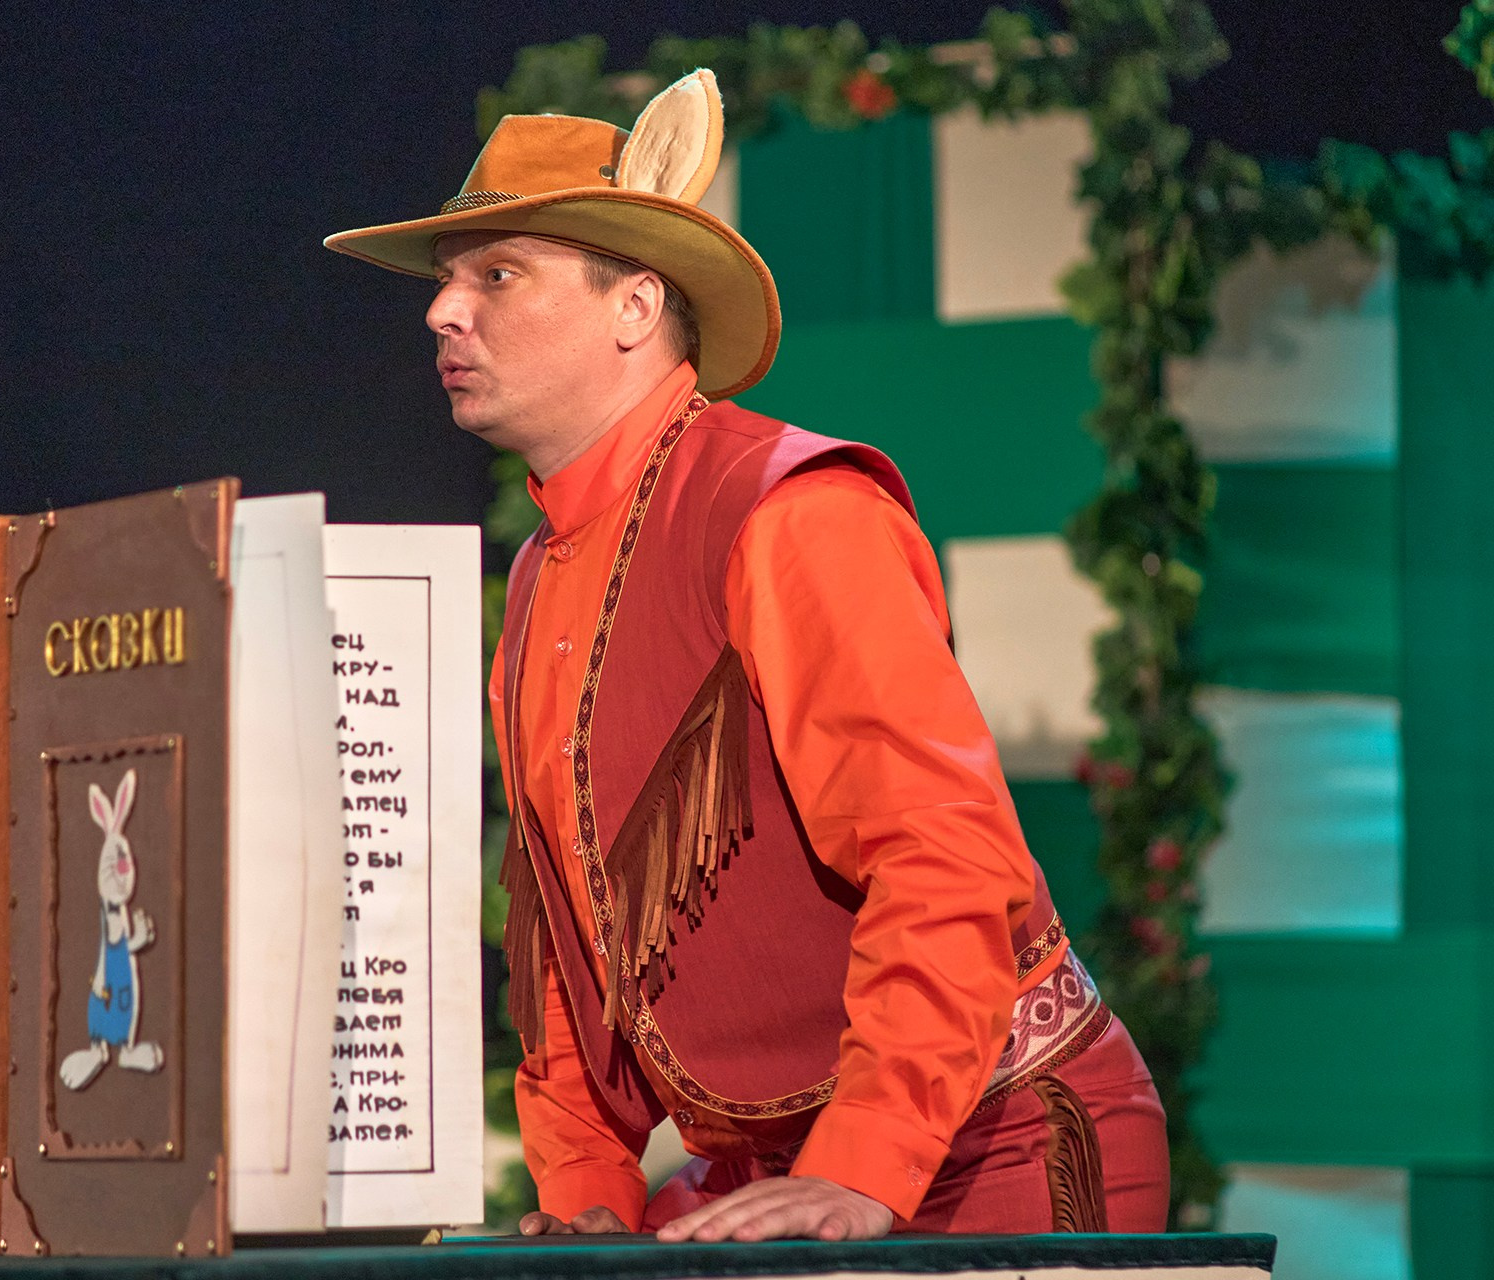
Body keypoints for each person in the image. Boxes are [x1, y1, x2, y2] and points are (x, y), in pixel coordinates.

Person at [325, 70, 1170, 1243]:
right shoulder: (538, 578)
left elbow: (941, 852)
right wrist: (587, 1202)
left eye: (496, 275)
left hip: (993, 1139)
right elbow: (567, 942)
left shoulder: (790, 510)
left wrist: (865, 1163)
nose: (443, 311)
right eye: (445, 280)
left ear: (634, 305)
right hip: (773, 1170)